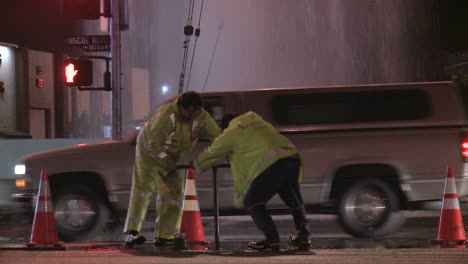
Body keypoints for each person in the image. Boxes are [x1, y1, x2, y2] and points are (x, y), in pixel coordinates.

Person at [193, 111, 311, 251]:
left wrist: (193, 165)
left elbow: (212, 153)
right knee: (293, 199)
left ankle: (272, 239)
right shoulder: (258, 122)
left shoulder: (231, 132)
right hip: (292, 158)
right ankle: (304, 237)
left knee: (253, 201)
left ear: (225, 127)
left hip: (273, 165)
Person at [124, 91, 221, 248]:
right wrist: (164, 158)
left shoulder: (202, 117)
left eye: (194, 114)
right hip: (149, 152)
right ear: (180, 107)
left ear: (199, 110)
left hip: (176, 156)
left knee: (174, 193)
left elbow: (217, 136)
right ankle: (132, 233)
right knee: (143, 189)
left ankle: (165, 236)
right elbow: (152, 142)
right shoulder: (166, 116)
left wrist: (225, 148)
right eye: (187, 114)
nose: (190, 118)